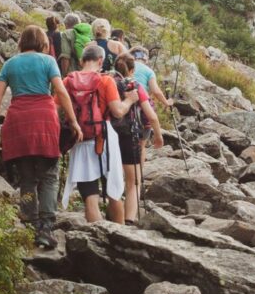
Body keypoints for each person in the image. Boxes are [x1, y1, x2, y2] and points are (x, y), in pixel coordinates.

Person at [0, 25, 83, 249]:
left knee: (27, 175)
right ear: (43, 43)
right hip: (44, 119)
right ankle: (46, 228)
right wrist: (74, 121)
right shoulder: (48, 61)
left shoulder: (10, 64)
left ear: (21, 42)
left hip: (18, 120)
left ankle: (29, 224)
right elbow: (61, 91)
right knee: (49, 175)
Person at [60, 43, 138, 224]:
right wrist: (129, 100)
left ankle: (96, 238)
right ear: (101, 61)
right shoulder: (105, 80)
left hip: (79, 139)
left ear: (81, 61)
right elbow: (118, 111)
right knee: (114, 191)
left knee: (89, 195)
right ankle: (120, 238)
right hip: (105, 139)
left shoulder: (67, 81)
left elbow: (56, 109)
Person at [112, 53, 163, 224]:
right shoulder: (135, 85)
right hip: (129, 135)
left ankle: (113, 215)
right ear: (132, 70)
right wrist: (159, 136)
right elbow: (151, 116)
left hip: (108, 135)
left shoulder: (107, 82)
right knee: (133, 181)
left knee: (113, 176)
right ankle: (129, 219)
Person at [128, 46, 174, 111]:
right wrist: (166, 102)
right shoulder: (148, 71)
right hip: (140, 103)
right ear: (145, 58)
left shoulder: (125, 66)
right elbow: (155, 91)